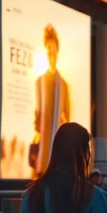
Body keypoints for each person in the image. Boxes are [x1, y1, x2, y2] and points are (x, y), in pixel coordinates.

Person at [31, 25, 72, 178]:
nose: (51, 53)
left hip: (57, 146)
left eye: (53, 49)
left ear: (57, 51)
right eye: (48, 49)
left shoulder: (64, 86)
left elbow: (67, 117)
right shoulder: (39, 82)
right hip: (42, 147)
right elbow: (36, 114)